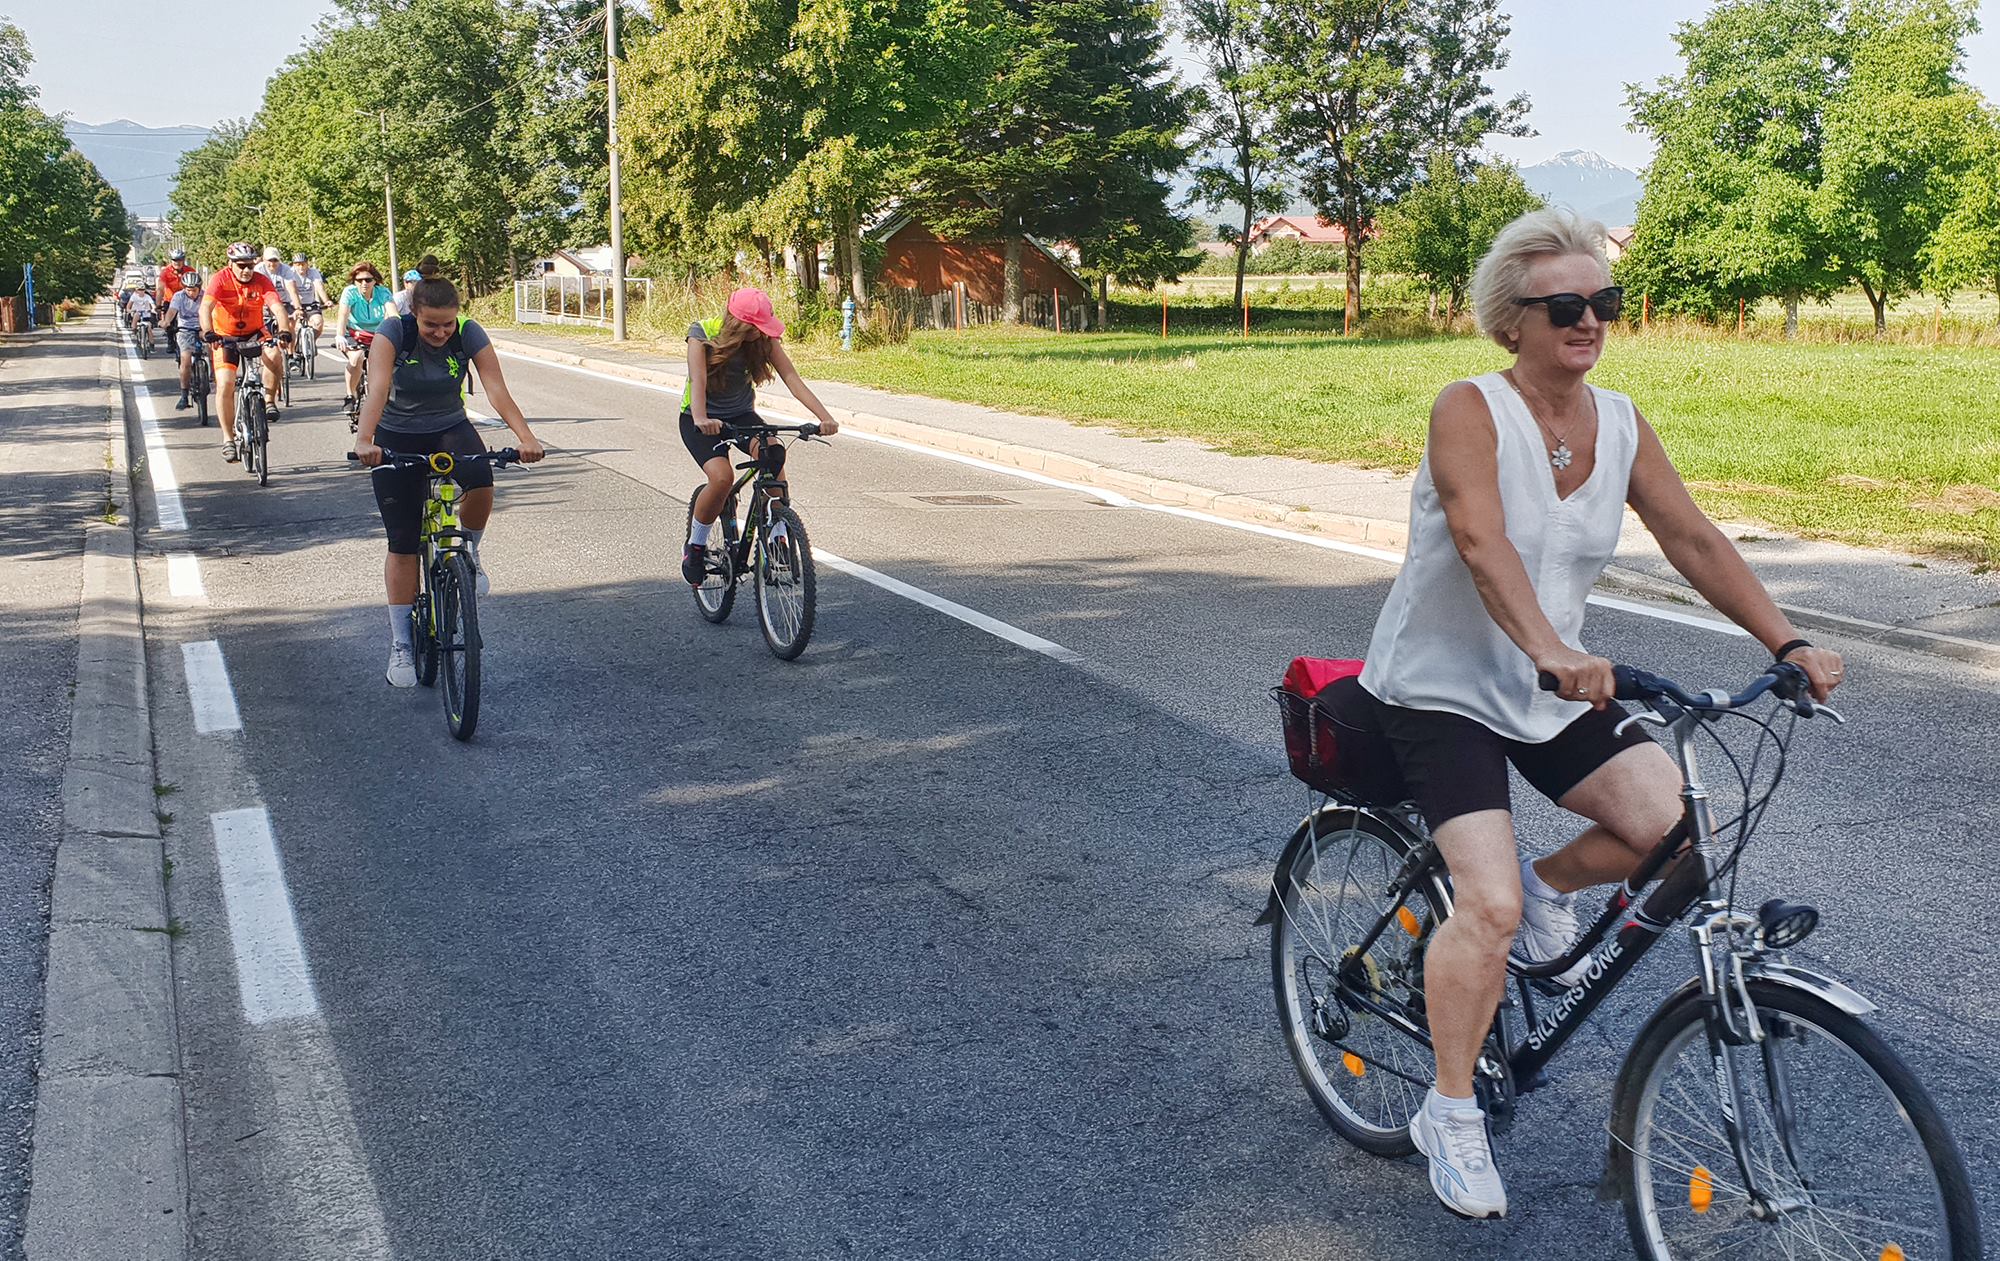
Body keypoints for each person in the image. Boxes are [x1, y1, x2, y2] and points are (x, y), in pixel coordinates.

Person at [1337, 209, 1845, 1221]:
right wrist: (1551, 649)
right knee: (1486, 907)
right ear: (1510, 322)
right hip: (1442, 689)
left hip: (1549, 684)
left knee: (1681, 831)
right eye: (1563, 305)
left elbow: (1692, 538)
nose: (1588, 320)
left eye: (1601, 301)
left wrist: (1784, 642)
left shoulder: (1618, 421)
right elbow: (1480, 542)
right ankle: (1449, 1109)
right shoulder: (1469, 409)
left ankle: (1547, 880)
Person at [353, 275, 545, 687]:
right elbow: (378, 390)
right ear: (414, 314)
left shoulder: (469, 332)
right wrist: (365, 440)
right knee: (403, 541)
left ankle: (469, 553)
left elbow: (496, 389)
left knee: (481, 479)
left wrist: (526, 438)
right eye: (431, 325)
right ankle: (401, 644)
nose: (440, 333)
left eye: (447, 324)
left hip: (448, 427)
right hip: (396, 434)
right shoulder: (393, 332)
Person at [679, 287, 841, 585]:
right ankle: (696, 546)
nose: (761, 333)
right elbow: (697, 379)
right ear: (740, 324)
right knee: (722, 478)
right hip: (699, 418)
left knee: (773, 452)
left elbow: (792, 379)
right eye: (757, 327)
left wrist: (824, 417)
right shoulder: (701, 334)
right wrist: (702, 418)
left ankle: (777, 535)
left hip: (741, 416)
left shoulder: (764, 341)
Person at [199, 242, 293, 461]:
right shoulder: (220, 279)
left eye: (250, 265)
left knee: (274, 354)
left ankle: (269, 401)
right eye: (241, 265)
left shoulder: (261, 280)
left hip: (254, 332)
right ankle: (228, 439)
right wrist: (208, 331)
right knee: (226, 384)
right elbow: (205, 308)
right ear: (231, 264)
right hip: (225, 335)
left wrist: (284, 331)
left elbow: (278, 308)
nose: (246, 270)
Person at [333, 261, 394, 410]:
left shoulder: (383, 292)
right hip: (354, 333)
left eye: (368, 280)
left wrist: (397, 330)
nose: (364, 284)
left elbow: (393, 314)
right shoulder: (350, 292)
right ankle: (350, 395)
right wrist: (340, 335)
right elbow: (343, 315)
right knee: (356, 358)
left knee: (386, 365)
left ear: (375, 280)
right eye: (359, 280)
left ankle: (385, 398)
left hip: (377, 334)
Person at [161, 280, 204, 408]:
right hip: (185, 330)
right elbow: (172, 310)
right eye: (188, 290)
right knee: (185, 360)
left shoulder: (205, 295)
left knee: (215, 349)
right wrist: (167, 322)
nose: (191, 293)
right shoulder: (178, 296)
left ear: (199, 288)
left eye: (194, 290)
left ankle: (213, 377)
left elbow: (213, 311)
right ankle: (184, 396)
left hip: (203, 329)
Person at [292, 251, 328, 338]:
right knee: (292, 327)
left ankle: (311, 343)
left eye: (303, 264)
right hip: (294, 304)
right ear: (294, 265)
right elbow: (292, 290)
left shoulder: (313, 272)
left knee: (318, 323)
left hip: (310, 304)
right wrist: (297, 306)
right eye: (298, 264)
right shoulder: (290, 273)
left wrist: (326, 301)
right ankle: (294, 344)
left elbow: (319, 287)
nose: (301, 267)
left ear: (307, 264)